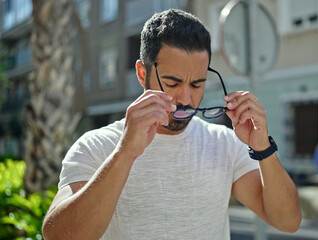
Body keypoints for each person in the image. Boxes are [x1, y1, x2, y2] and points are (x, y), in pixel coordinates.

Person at [42, 9, 301, 240]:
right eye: (174, 83)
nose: (186, 99)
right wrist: (125, 153)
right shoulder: (96, 146)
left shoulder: (224, 143)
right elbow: (58, 236)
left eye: (197, 84)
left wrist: (263, 148)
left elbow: (288, 222)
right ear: (142, 73)